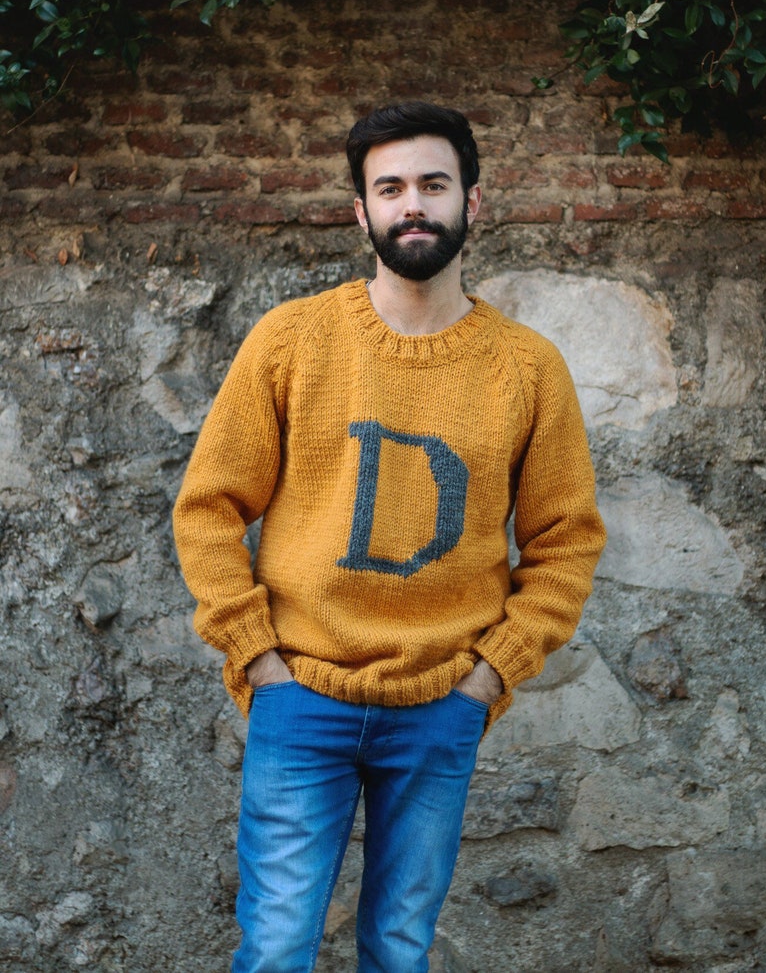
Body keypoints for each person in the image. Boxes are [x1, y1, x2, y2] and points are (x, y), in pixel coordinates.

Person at [172, 101, 606, 973]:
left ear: (471, 204)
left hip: (442, 704)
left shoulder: (529, 368)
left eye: (434, 185)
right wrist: (257, 655)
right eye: (392, 187)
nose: (414, 204)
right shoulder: (293, 341)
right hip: (301, 695)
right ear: (360, 211)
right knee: (278, 945)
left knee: (401, 949)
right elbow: (210, 505)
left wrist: (490, 676)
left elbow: (564, 540)